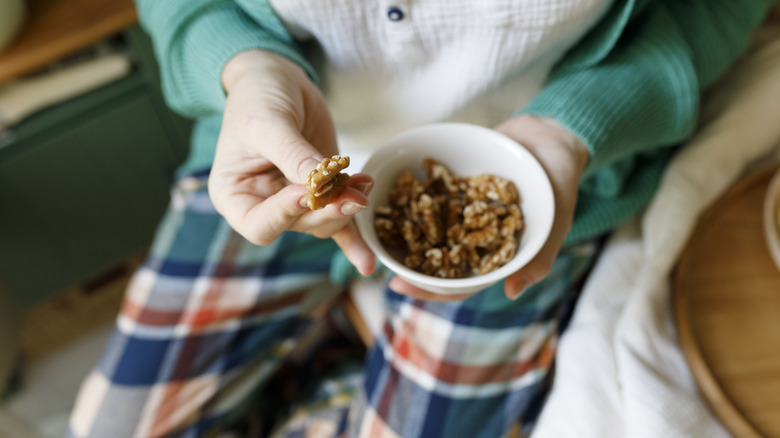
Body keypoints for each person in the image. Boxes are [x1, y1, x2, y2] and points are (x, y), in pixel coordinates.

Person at [66, 1, 774, 437]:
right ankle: (346, 343)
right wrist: (243, 67)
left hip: (545, 174)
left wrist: (575, 126)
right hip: (280, 160)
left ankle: (336, 350)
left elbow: (714, 9)